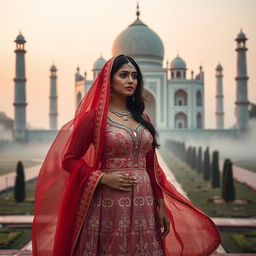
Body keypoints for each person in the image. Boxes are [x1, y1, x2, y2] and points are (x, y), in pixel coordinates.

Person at [32, 55, 221, 256]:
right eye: (123, 75)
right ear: (109, 81)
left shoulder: (143, 118)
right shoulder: (94, 119)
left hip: (144, 199)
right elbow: (69, 159)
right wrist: (103, 178)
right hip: (109, 200)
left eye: (134, 76)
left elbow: (151, 166)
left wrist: (160, 205)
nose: (131, 80)